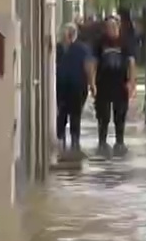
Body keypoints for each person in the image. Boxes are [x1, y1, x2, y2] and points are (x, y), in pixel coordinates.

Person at [87, 16, 136, 156]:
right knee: (103, 115)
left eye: (114, 26)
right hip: (103, 84)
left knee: (120, 114)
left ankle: (119, 142)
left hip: (120, 84)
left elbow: (131, 63)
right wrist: (92, 83)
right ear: (105, 28)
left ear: (118, 27)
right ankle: (102, 142)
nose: (112, 29)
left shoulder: (125, 42)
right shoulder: (99, 42)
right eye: (109, 27)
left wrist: (131, 83)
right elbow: (92, 63)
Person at [55, 23, 92, 155]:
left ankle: (75, 140)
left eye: (69, 33)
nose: (66, 36)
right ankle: (61, 138)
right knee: (62, 113)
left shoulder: (81, 49)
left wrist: (92, 84)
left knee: (75, 114)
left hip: (77, 86)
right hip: (61, 86)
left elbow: (88, 66)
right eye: (65, 33)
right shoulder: (58, 48)